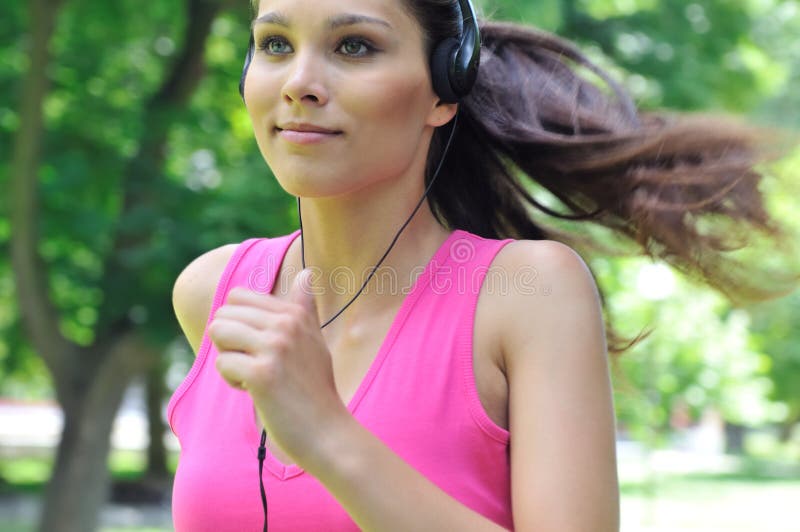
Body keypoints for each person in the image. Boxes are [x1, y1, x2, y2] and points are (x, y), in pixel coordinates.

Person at [167, 0, 795, 530]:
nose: (297, 82)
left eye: (354, 46)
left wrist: (327, 434)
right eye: (274, 43)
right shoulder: (213, 293)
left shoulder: (528, 294)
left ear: (445, 89)